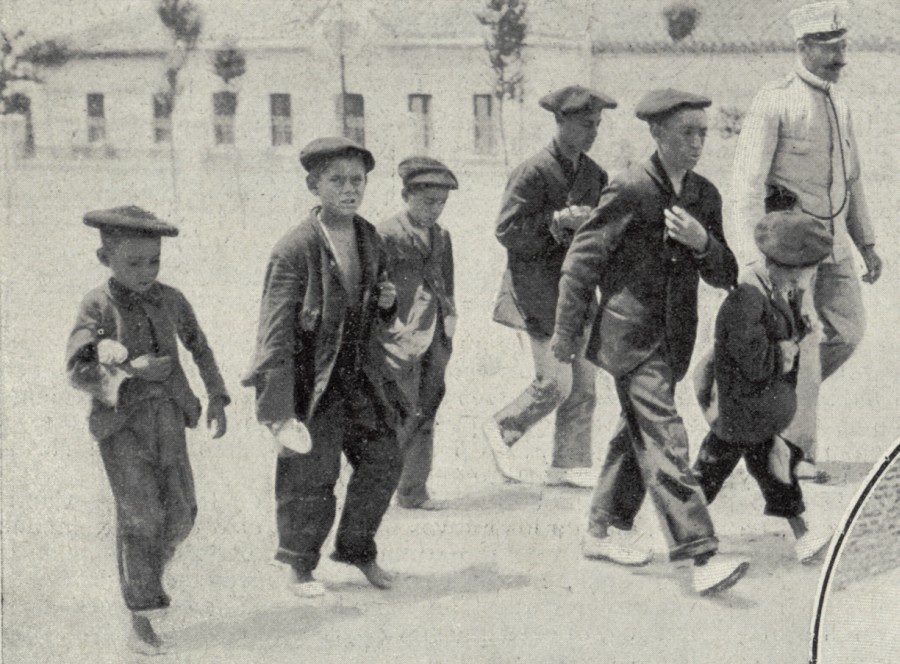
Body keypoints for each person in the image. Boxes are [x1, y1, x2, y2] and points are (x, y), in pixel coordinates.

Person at [551, 89, 749, 595]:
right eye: (687, 132)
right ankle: (700, 555)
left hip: (673, 342)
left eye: (703, 132)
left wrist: (703, 243)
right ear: (657, 134)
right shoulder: (631, 188)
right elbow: (580, 263)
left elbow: (725, 273)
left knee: (634, 434)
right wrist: (564, 336)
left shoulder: (704, 194)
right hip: (629, 340)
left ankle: (601, 529)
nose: (698, 142)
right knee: (665, 439)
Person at [242, 137, 403, 599]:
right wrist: (278, 410)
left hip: (359, 374)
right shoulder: (295, 249)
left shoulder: (369, 237)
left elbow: (375, 307)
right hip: (311, 382)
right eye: (337, 180)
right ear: (314, 185)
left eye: (358, 180)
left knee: (385, 456)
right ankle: (299, 564)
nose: (350, 190)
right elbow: (274, 333)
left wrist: (387, 304)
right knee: (312, 474)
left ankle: (356, 548)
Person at [66, 205, 230, 654]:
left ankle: (144, 574)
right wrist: (131, 372)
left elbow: (199, 346)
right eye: (133, 262)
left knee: (181, 514)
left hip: (170, 420)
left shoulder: (171, 298)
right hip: (122, 427)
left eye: (153, 260)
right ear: (105, 259)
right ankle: (141, 616)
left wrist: (216, 395)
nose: (146, 272)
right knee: (141, 518)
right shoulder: (97, 305)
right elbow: (76, 370)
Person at [731, 1, 882, 479]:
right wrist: (753, 259)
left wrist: (868, 243)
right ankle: (794, 454)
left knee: (848, 332)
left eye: (843, 47)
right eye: (830, 49)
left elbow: (852, 181)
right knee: (809, 339)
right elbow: (747, 186)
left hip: (835, 246)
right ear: (802, 47)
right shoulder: (773, 101)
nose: (840, 59)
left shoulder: (841, 103)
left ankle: (767, 401)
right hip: (790, 253)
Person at [485, 85, 617, 488]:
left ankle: (570, 464)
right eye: (584, 124)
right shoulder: (533, 171)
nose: (592, 132)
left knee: (585, 385)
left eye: (596, 125)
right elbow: (506, 230)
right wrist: (555, 223)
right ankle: (502, 427)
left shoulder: (595, 175)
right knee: (555, 382)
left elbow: (603, 233)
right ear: (560, 122)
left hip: (577, 291)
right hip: (536, 291)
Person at [693, 210, 836, 565]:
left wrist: (799, 328)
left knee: (770, 469)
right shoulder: (748, 296)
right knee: (717, 473)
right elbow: (753, 360)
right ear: (789, 264)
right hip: (739, 409)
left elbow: (777, 332)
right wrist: (785, 352)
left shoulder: (777, 288)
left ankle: (802, 535)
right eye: (809, 268)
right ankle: (683, 532)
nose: (811, 275)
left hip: (755, 411)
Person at [378, 156, 458, 510]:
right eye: (428, 202)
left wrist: (450, 316)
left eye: (441, 203)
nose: (435, 210)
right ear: (405, 195)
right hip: (398, 339)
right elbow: (374, 291)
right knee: (396, 414)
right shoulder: (386, 234)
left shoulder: (442, 236)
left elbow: (446, 281)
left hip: (436, 337)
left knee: (426, 410)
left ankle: (413, 490)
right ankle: (375, 489)